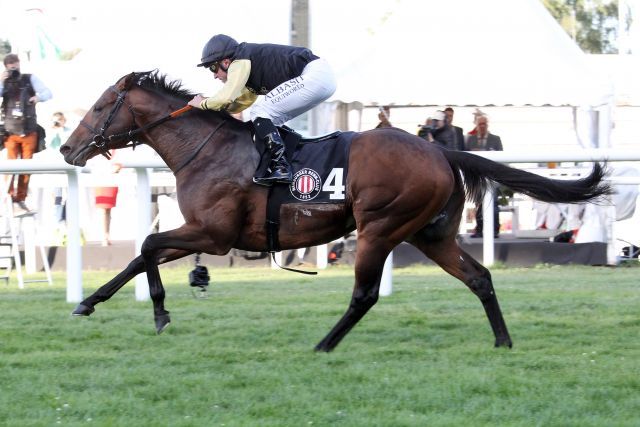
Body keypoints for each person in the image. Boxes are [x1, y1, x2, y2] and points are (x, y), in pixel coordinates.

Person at [188, 34, 337, 186]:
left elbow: (226, 96)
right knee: (270, 117)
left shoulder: (240, 61)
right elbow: (240, 102)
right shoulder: (248, 69)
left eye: (213, 67)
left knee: (260, 111)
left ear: (226, 62)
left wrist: (203, 103)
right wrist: (217, 109)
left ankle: (281, 166)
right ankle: (287, 162)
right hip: (321, 78)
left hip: (316, 75)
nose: (214, 75)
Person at [0, 53, 52, 215]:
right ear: (6, 67)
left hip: (29, 129)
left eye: (15, 64)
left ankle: (20, 198)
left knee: (26, 167)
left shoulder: (30, 78)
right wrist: (2, 81)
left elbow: (48, 93)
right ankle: (8, 198)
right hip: (10, 131)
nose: (13, 68)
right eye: (10, 66)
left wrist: (38, 97)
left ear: (19, 63)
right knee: (10, 165)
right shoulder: (3, 81)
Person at [465, 115, 503, 238]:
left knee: (494, 203)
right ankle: (480, 230)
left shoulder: (496, 139)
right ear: (476, 125)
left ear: (487, 125)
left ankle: (494, 230)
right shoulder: (470, 140)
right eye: (480, 124)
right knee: (478, 204)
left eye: (484, 124)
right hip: (476, 177)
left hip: (492, 177)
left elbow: (501, 159)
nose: (482, 126)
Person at [92, 150, 121, 246]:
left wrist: (108, 173)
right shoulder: (97, 151)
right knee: (103, 210)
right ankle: (104, 236)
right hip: (100, 181)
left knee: (108, 211)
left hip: (111, 182)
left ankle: (107, 235)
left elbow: (118, 165)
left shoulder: (115, 151)